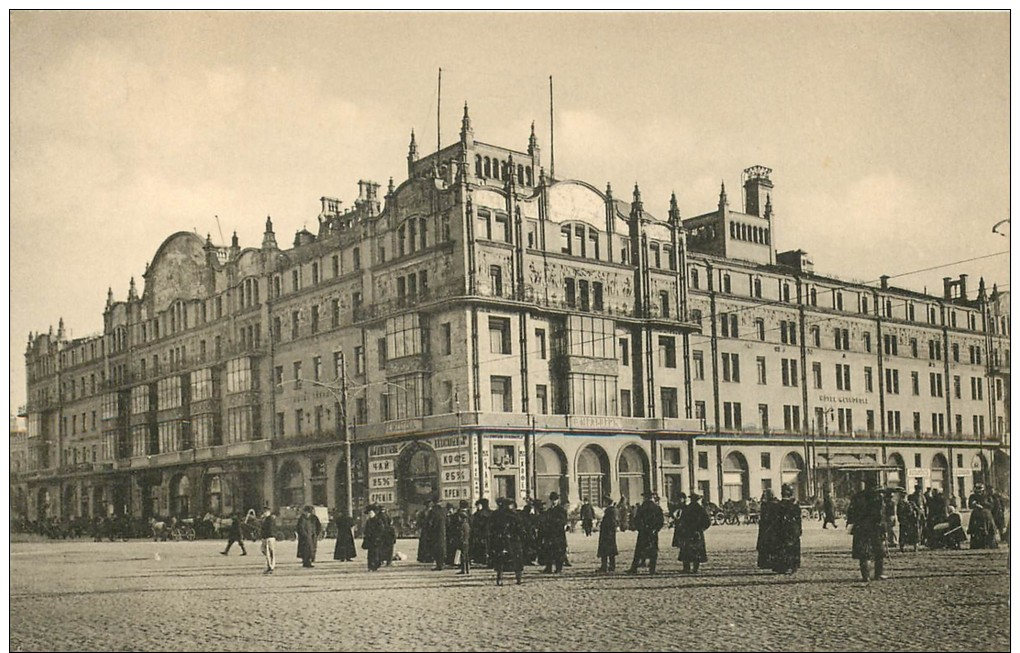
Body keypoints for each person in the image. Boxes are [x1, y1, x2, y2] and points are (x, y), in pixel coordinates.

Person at [846, 478, 887, 581]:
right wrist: (884, 529)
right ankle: (878, 575)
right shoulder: (878, 498)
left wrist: (851, 525)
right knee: (879, 552)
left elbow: (850, 513)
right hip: (875, 528)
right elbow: (881, 515)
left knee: (864, 553)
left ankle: (866, 576)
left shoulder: (857, 497)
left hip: (861, 528)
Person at [488, 497, 525, 586]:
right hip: (512, 540)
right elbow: (520, 528)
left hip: (503, 540)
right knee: (515, 560)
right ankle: (518, 578)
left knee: (501, 560)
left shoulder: (496, 515)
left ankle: (501, 579)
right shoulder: (514, 515)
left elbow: (491, 528)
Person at [626, 491, 665, 575]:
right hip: (653, 533)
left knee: (639, 550)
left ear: (646, 498)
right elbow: (661, 521)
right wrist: (656, 529)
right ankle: (652, 569)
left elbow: (637, 519)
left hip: (643, 532)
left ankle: (634, 568)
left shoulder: (642, 507)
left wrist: (640, 528)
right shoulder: (657, 507)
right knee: (653, 551)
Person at [674, 492, 711, 574]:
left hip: (688, 532)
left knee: (686, 550)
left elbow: (682, 521)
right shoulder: (701, 509)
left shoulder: (687, 508)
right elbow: (707, 522)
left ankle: (686, 568)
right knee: (696, 550)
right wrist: (701, 529)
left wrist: (683, 529)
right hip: (697, 533)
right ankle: (695, 569)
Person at [770, 484, 802, 574]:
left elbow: (776, 519)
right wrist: (799, 528)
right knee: (793, 547)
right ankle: (793, 565)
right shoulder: (794, 504)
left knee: (782, 547)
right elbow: (798, 518)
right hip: (792, 528)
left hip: (782, 528)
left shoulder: (778, 505)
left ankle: (783, 566)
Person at [541, 492, 569, 574]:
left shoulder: (561, 510)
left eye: (555, 500)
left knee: (559, 551)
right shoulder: (549, 510)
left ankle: (558, 568)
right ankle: (548, 568)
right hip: (550, 534)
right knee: (549, 550)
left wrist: (554, 523)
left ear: (558, 500)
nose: (554, 501)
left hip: (558, 534)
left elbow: (563, 521)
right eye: (552, 500)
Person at [756, 489, 778, 570]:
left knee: (767, 544)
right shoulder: (773, 504)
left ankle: (766, 562)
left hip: (767, 526)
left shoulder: (767, 505)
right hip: (768, 526)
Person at [597, 496, 618, 573]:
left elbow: (611, 522)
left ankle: (604, 566)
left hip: (607, 533)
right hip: (610, 533)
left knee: (605, 550)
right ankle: (611, 566)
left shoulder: (610, 511)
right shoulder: (612, 510)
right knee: (610, 551)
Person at [470, 498, 491, 567]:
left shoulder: (478, 514)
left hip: (481, 533)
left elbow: (475, 524)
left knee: (481, 547)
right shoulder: (491, 512)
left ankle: (481, 559)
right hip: (490, 533)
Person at [428, 496, 448, 570]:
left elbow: (430, 523)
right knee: (442, 547)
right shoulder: (444, 510)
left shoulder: (432, 511)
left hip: (435, 532)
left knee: (436, 548)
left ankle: (438, 564)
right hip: (443, 531)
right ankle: (442, 563)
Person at [363, 505, 384, 571]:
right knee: (370, 554)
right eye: (369, 513)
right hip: (370, 539)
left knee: (376, 553)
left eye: (371, 513)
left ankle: (376, 565)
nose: (370, 515)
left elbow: (381, 529)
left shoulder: (378, 521)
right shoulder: (368, 521)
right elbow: (366, 530)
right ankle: (370, 566)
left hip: (376, 539)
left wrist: (377, 536)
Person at [455, 500, 472, 574]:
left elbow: (462, 533)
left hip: (463, 541)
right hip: (467, 541)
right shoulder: (467, 524)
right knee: (466, 555)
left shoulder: (463, 525)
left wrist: (461, 539)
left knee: (463, 555)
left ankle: (463, 569)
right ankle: (467, 569)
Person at [417, 499, 434, 564]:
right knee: (424, 544)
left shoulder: (431, 512)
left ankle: (429, 557)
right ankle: (424, 557)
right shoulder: (423, 512)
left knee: (428, 544)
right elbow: (419, 521)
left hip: (429, 530)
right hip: (426, 530)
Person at [259, 507, 276, 575]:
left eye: (264, 512)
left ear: (268, 512)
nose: (263, 513)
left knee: (269, 552)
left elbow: (269, 529)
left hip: (269, 537)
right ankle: (270, 565)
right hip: (266, 537)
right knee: (264, 550)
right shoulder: (266, 519)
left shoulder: (270, 519)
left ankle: (270, 567)